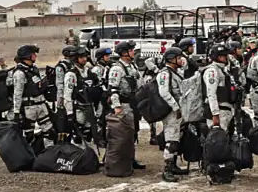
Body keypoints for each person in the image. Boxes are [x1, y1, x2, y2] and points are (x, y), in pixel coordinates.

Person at [107, 41, 146, 170]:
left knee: (133, 133)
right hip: (124, 105)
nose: (133, 52)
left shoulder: (132, 66)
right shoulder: (117, 69)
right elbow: (112, 89)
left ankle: (131, 158)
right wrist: (117, 107)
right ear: (124, 53)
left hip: (133, 105)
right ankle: (120, 160)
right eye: (131, 50)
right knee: (123, 135)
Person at [155, 46, 188, 182]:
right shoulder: (164, 74)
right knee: (171, 141)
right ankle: (167, 170)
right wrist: (175, 107)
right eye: (179, 58)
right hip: (171, 112)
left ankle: (173, 165)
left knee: (178, 138)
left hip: (179, 110)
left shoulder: (176, 72)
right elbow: (164, 92)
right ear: (171, 59)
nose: (181, 60)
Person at [12, 45, 51, 137]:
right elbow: (17, 93)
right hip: (29, 108)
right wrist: (16, 112)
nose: (35, 56)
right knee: (29, 135)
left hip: (41, 105)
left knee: (49, 133)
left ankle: (47, 150)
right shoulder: (19, 73)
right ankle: (30, 151)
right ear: (27, 56)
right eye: (33, 54)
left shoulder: (34, 69)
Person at [63, 46, 99, 145]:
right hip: (78, 109)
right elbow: (67, 95)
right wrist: (69, 113)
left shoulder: (89, 72)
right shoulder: (71, 74)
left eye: (85, 56)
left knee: (88, 134)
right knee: (79, 135)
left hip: (89, 107)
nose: (84, 59)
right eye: (81, 57)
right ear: (75, 59)